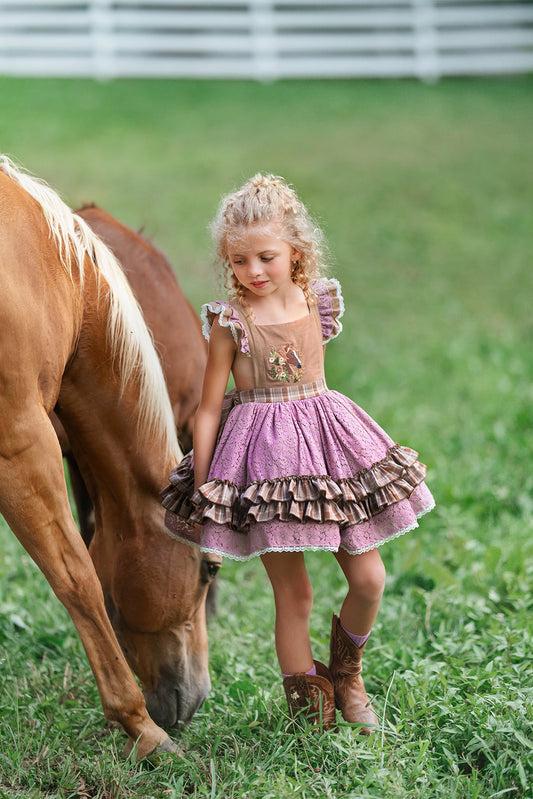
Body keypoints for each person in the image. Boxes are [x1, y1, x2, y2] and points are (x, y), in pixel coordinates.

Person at [162, 174, 435, 732]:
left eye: (266, 257)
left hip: (328, 453)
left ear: (296, 250)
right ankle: (311, 712)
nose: (253, 272)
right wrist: (208, 480)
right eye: (238, 262)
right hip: (261, 468)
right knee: (296, 594)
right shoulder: (228, 322)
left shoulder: (316, 300)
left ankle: (346, 674)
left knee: (369, 580)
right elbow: (210, 408)